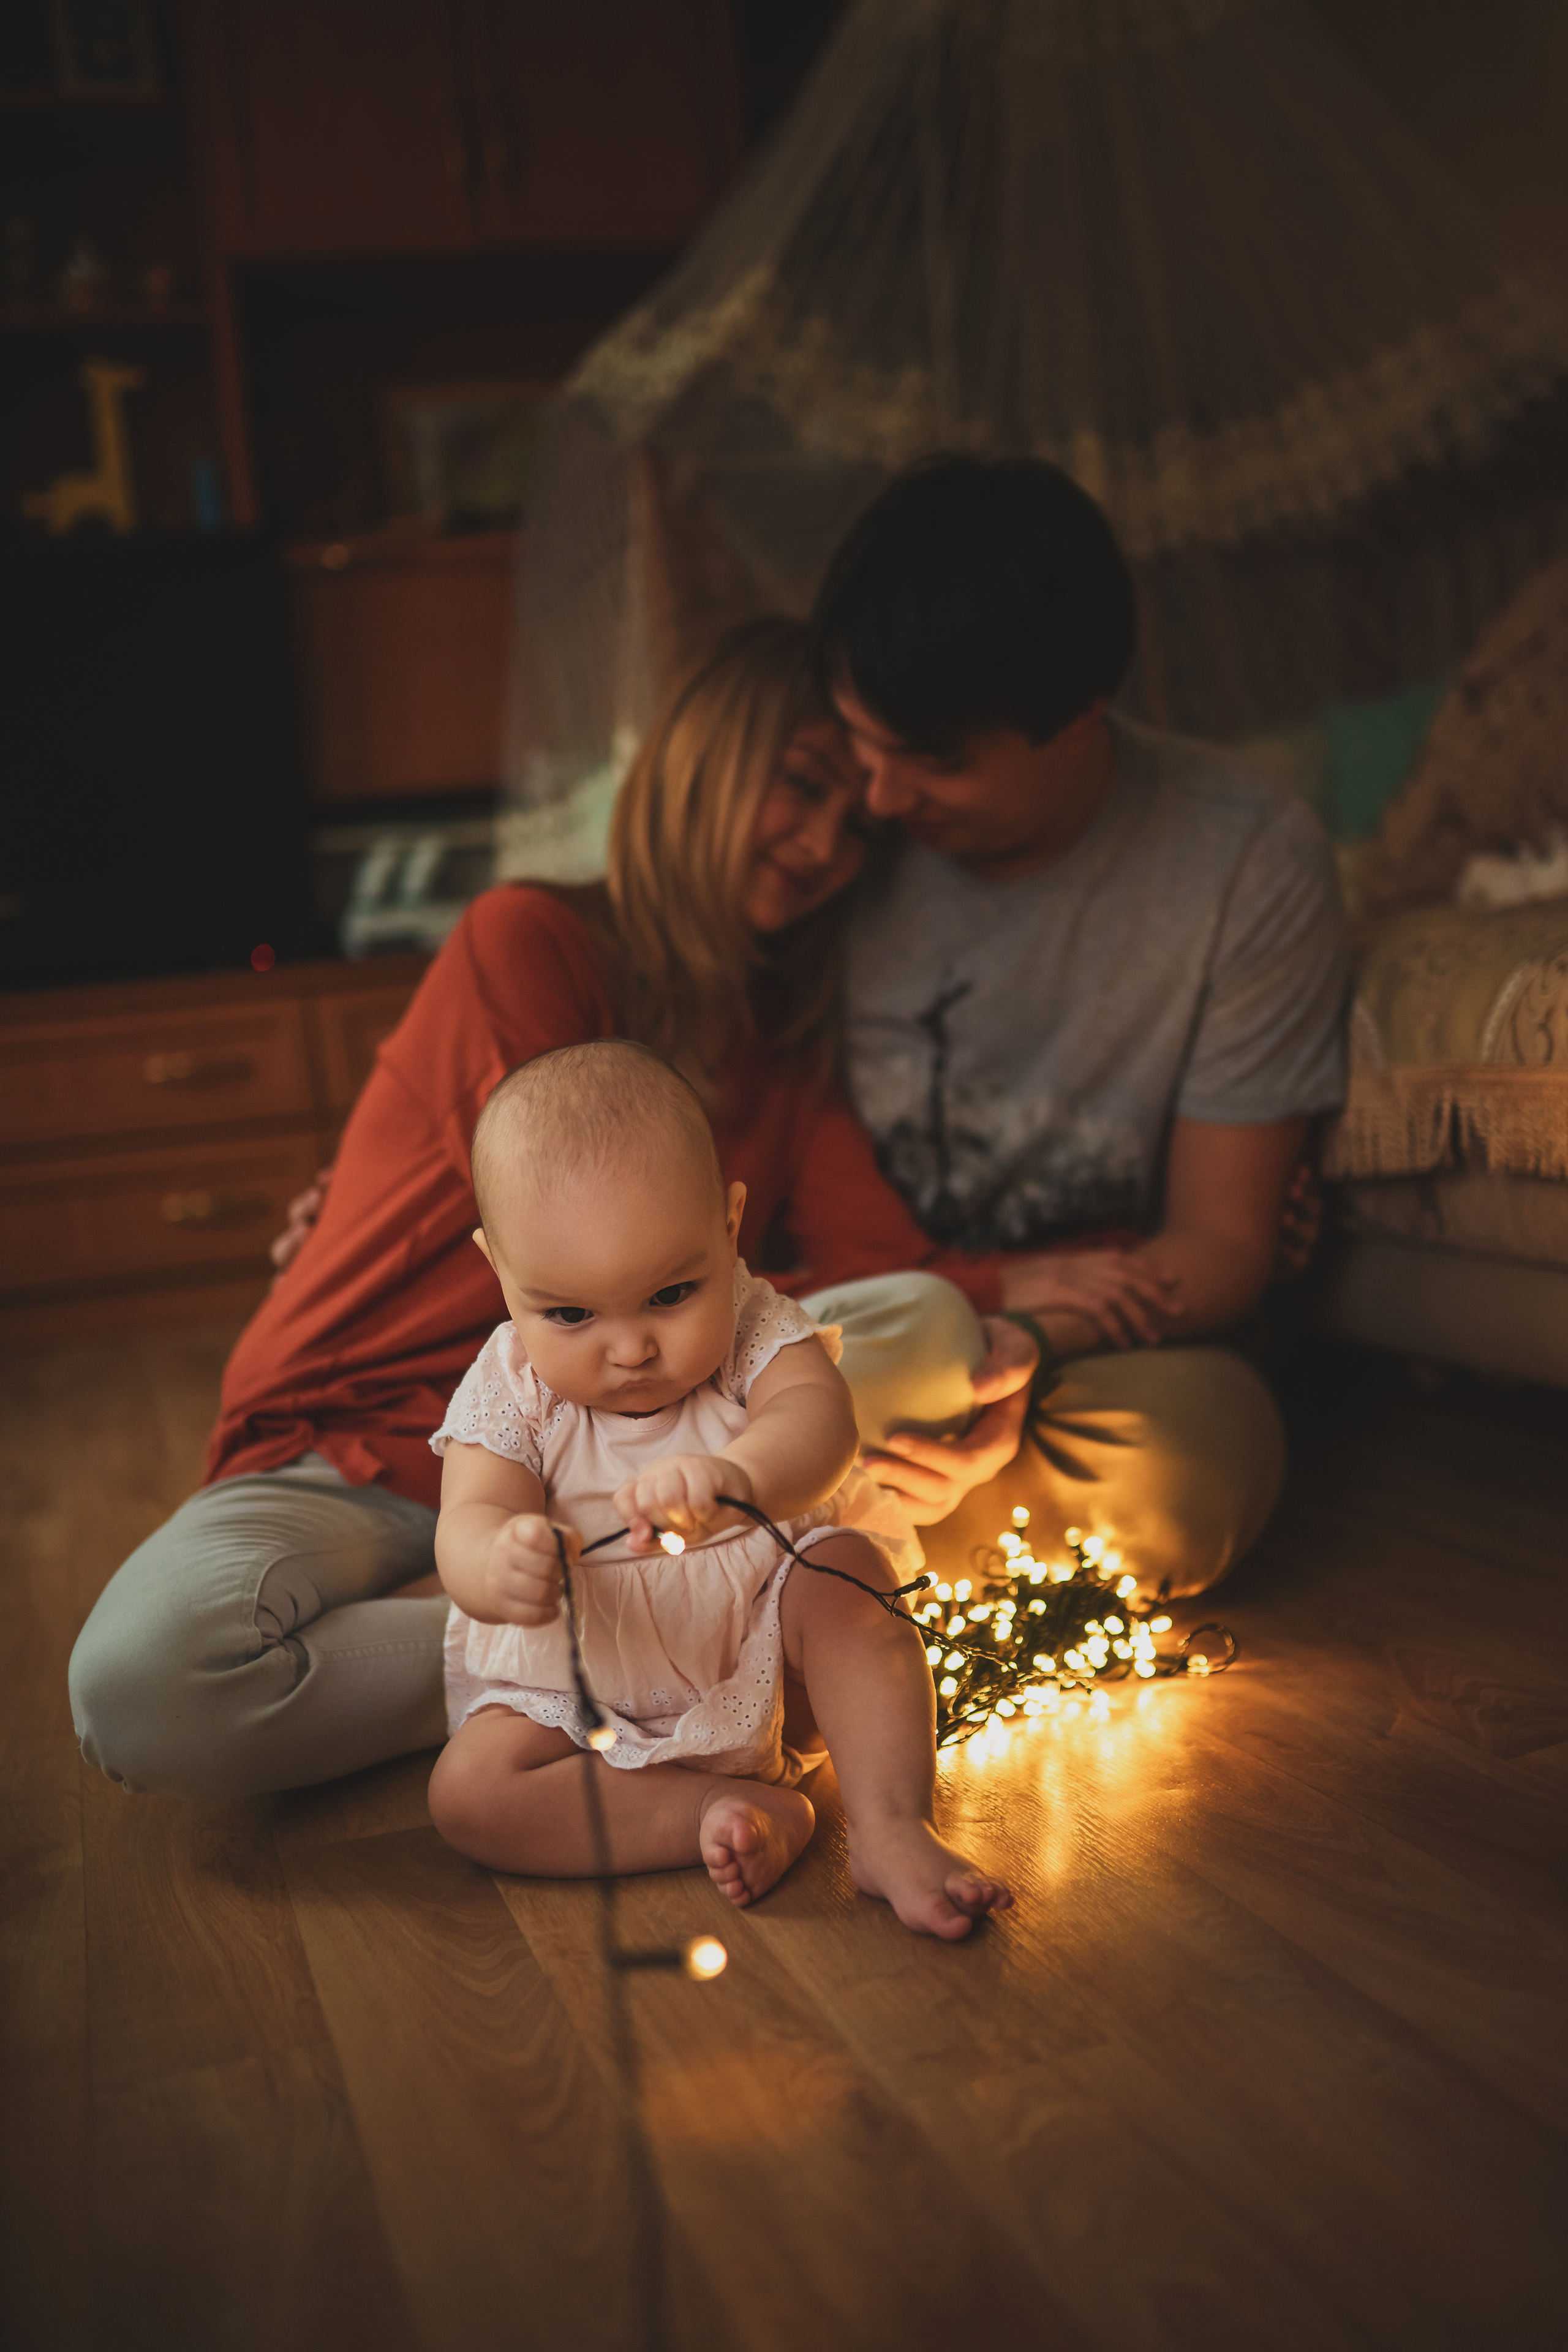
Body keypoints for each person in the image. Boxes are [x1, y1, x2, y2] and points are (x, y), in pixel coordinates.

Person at [69, 620, 1034, 1804]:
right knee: (145, 1684)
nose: (825, 843)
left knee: (926, 1328)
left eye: (857, 826)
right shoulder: (527, 939)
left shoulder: (783, 1038)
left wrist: (1038, 1295)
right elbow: (576, 1235)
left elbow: (879, 1262)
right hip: (364, 1434)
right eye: (800, 785)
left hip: (640, 1457)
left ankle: (584, 1642)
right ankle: (591, 1643)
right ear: (700, 762)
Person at [812, 453, 1350, 1586]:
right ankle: (848, 1550)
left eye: (934, 761)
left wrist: (1023, 1351)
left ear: (1078, 716)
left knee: (1174, 1481)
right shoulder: (828, 838)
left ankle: (812, 1561)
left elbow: (1222, 1243)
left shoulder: (1244, 856)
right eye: (861, 742)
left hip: (1096, 1351)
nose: (880, 798)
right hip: (847, 1334)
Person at [427, 1041, 1011, 1940]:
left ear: (729, 1226)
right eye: (571, 1315)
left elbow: (821, 1425)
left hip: (774, 1661)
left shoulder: (755, 1327)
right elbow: (469, 1513)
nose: (629, 1350)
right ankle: (706, 1812)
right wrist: (492, 1562)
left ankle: (894, 1829)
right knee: (469, 1793)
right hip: (591, 1701)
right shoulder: (510, 1386)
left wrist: (740, 1477)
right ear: (498, 1268)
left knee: (847, 1574)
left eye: (671, 1293)